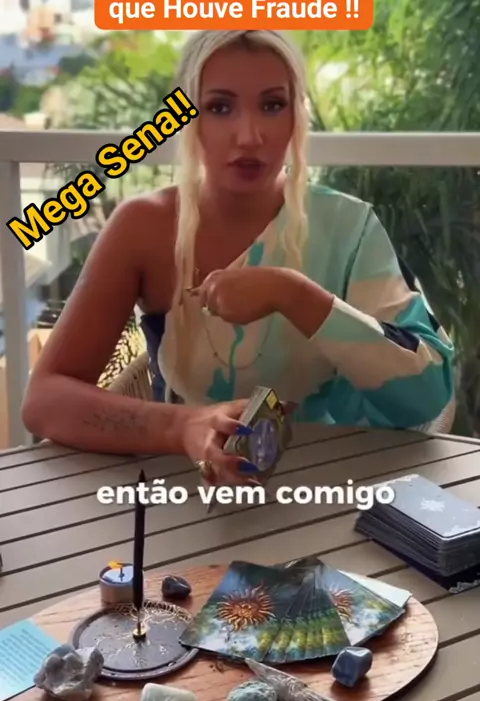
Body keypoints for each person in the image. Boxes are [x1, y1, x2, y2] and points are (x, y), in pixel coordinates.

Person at [22, 29, 455, 486]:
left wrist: (294, 294)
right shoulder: (142, 227)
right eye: (219, 107)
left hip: (328, 486)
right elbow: (45, 400)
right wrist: (183, 426)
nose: (249, 136)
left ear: (297, 115)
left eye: (273, 105)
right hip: (183, 493)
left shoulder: (348, 227)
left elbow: (425, 397)